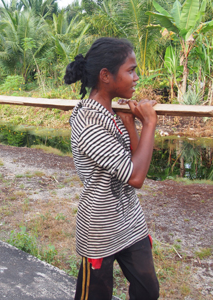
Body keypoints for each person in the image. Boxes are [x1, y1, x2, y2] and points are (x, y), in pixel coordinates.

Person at [65, 37, 159, 299]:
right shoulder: (88, 123)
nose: (136, 77)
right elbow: (136, 177)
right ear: (106, 75)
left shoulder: (110, 113)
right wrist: (150, 124)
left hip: (129, 220)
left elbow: (135, 160)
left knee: (147, 290)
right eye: (130, 70)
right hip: (99, 228)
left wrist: (130, 125)